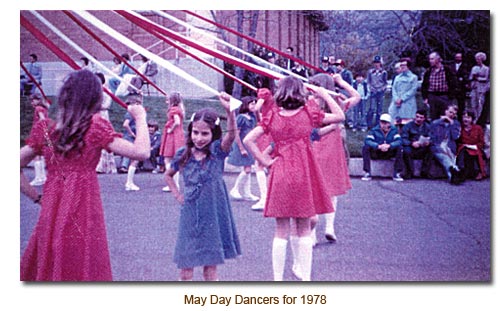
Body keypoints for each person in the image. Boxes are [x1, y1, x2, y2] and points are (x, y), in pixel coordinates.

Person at [20, 69, 150, 281]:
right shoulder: (95, 126)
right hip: (83, 205)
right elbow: (142, 152)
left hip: (52, 206)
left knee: (52, 256)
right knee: (82, 261)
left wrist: (37, 197)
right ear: (94, 98)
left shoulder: (47, 128)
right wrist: (141, 117)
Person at [243, 75, 347, 281]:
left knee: (281, 229)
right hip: (303, 173)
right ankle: (305, 277)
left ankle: (277, 280)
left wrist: (264, 161)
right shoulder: (309, 113)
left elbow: (248, 139)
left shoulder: (272, 116)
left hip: (280, 172)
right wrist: (325, 94)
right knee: (303, 227)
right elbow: (339, 116)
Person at [164, 92, 240, 281]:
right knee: (186, 268)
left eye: (205, 133)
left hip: (213, 212)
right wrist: (178, 195)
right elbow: (168, 175)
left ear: (213, 134)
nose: (199, 138)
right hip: (190, 214)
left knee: (210, 267)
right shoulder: (183, 154)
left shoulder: (216, 152)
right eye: (195, 132)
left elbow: (231, 136)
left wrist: (230, 112)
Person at [228, 96, 259, 202]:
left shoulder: (252, 117)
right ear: (246, 105)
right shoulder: (241, 118)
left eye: (255, 103)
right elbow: (237, 133)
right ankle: (235, 189)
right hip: (242, 144)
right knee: (247, 169)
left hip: (249, 145)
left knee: (248, 169)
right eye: (252, 104)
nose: (254, 106)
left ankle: (247, 192)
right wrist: (241, 148)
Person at [361, 113, 404, 182]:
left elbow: (399, 141)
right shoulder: (374, 130)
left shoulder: (394, 130)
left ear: (389, 123)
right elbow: (368, 140)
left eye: (386, 123)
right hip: (377, 151)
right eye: (382, 122)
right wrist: (378, 146)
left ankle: (397, 173)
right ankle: (367, 172)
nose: (383, 124)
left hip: (389, 151)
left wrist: (390, 145)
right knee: (365, 148)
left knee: (400, 148)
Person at [429, 103, 462, 184]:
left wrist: (452, 125)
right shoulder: (436, 123)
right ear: (446, 111)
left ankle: (453, 177)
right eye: (450, 112)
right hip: (438, 146)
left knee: (450, 157)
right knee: (445, 158)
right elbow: (432, 138)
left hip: (450, 146)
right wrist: (441, 121)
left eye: (454, 114)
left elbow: (455, 137)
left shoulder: (456, 123)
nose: (452, 115)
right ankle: (455, 170)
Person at [159, 92, 186, 191]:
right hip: (177, 134)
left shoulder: (173, 110)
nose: (166, 101)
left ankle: (172, 183)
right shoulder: (179, 109)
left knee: (168, 159)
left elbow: (177, 121)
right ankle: (175, 183)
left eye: (168, 99)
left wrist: (171, 129)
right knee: (173, 160)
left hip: (172, 135)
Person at [119, 94, 145, 191]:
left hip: (132, 136)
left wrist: (141, 94)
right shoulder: (130, 114)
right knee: (134, 159)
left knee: (134, 159)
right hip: (131, 137)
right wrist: (132, 134)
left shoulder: (131, 112)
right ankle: (129, 182)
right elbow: (125, 125)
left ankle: (130, 182)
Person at [422, 51, 457, 120]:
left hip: (444, 96)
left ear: (438, 59)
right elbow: (424, 85)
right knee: (433, 116)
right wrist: (425, 97)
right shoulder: (429, 71)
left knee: (445, 116)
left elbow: (453, 83)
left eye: (432, 59)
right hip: (432, 96)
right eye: (430, 59)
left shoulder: (447, 70)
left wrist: (450, 96)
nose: (430, 61)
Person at [95, 72, 118, 174]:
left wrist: (96, 106)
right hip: (95, 115)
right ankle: (97, 165)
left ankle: (105, 165)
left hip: (103, 115)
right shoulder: (93, 92)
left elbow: (107, 105)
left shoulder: (106, 92)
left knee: (104, 137)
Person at [400, 109, 432, 179]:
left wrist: (428, 142)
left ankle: (425, 172)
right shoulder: (408, 126)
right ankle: (409, 172)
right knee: (406, 150)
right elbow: (403, 138)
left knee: (431, 149)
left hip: (422, 147)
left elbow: (432, 137)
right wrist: (411, 143)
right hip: (411, 147)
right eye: (417, 117)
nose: (418, 119)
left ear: (424, 118)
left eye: (421, 117)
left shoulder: (427, 126)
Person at [456, 110, 487, 181]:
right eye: (464, 117)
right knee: (465, 153)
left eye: (468, 117)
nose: (465, 119)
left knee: (476, 154)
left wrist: (474, 146)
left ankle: (480, 172)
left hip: (476, 148)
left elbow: (482, 142)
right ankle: (462, 173)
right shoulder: (459, 128)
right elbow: (458, 141)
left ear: (472, 119)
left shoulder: (478, 128)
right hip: (464, 148)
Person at [388, 58, 418, 125]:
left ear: (408, 66)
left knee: (407, 122)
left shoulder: (413, 77)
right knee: (393, 120)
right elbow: (394, 89)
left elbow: (413, 91)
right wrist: (396, 99)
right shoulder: (397, 77)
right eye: (401, 65)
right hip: (396, 103)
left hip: (407, 103)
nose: (402, 67)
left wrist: (402, 99)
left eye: (404, 65)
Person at [28, 93, 49, 186]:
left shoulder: (38, 108)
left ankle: (39, 177)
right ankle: (42, 176)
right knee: (39, 154)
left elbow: (42, 119)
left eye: (33, 100)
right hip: (42, 133)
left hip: (37, 133)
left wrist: (37, 127)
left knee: (36, 154)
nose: (31, 102)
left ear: (38, 100)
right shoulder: (44, 108)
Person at [366, 55, 388, 128]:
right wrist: (371, 88)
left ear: (380, 63)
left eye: (378, 62)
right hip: (373, 91)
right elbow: (368, 82)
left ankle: (377, 124)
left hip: (380, 92)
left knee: (379, 109)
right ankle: (368, 124)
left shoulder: (384, 72)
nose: (376, 64)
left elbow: (385, 83)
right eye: (375, 63)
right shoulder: (370, 72)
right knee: (371, 108)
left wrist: (382, 89)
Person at [468, 52, 490, 124]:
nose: (477, 60)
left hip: (482, 89)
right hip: (474, 88)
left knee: (480, 104)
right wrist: (473, 78)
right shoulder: (474, 68)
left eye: (479, 59)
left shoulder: (486, 68)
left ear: (482, 59)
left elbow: (486, 79)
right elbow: (470, 77)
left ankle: (479, 119)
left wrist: (478, 78)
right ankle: (475, 117)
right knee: (473, 103)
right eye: (476, 59)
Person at [450, 52, 470, 118]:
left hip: (462, 88)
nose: (457, 58)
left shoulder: (465, 66)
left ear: (461, 58)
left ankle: (460, 118)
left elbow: (467, 76)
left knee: (461, 105)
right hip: (452, 88)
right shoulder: (451, 65)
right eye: (456, 57)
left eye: (459, 57)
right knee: (451, 104)